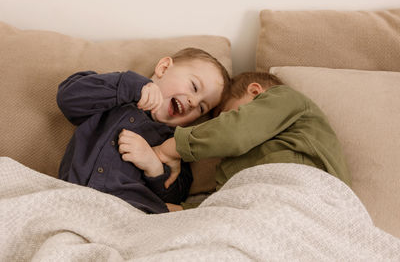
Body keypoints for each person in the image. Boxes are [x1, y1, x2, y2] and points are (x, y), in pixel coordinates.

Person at [56, 47, 231, 214]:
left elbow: (176, 197)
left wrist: (153, 166)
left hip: (129, 213)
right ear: (163, 68)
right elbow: (68, 97)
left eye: (201, 108)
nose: (193, 102)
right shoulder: (114, 96)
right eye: (193, 87)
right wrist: (134, 86)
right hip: (74, 198)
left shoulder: (173, 144)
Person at [151, 71, 351, 211]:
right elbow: (229, 203)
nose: (219, 144)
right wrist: (185, 210)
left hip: (309, 197)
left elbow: (235, 132)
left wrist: (171, 148)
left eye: (227, 115)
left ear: (256, 92)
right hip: (255, 213)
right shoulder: (231, 165)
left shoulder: (285, 99)